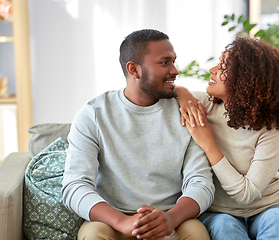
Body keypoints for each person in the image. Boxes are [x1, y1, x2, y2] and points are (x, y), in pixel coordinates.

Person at [61, 29, 215, 240]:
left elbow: (201, 183)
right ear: (134, 69)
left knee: (196, 233)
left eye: (173, 62)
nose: (175, 70)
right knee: (93, 235)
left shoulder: (186, 112)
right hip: (112, 221)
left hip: (172, 217)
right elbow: (74, 186)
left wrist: (171, 218)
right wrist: (121, 221)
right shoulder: (93, 114)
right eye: (164, 63)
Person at [176, 37, 279, 240]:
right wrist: (182, 91)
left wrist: (208, 143)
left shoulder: (272, 126)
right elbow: (167, 90)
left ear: (247, 79)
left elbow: (248, 193)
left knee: (277, 222)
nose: (212, 69)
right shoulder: (204, 106)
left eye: (223, 67)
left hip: (271, 209)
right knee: (224, 226)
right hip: (219, 214)